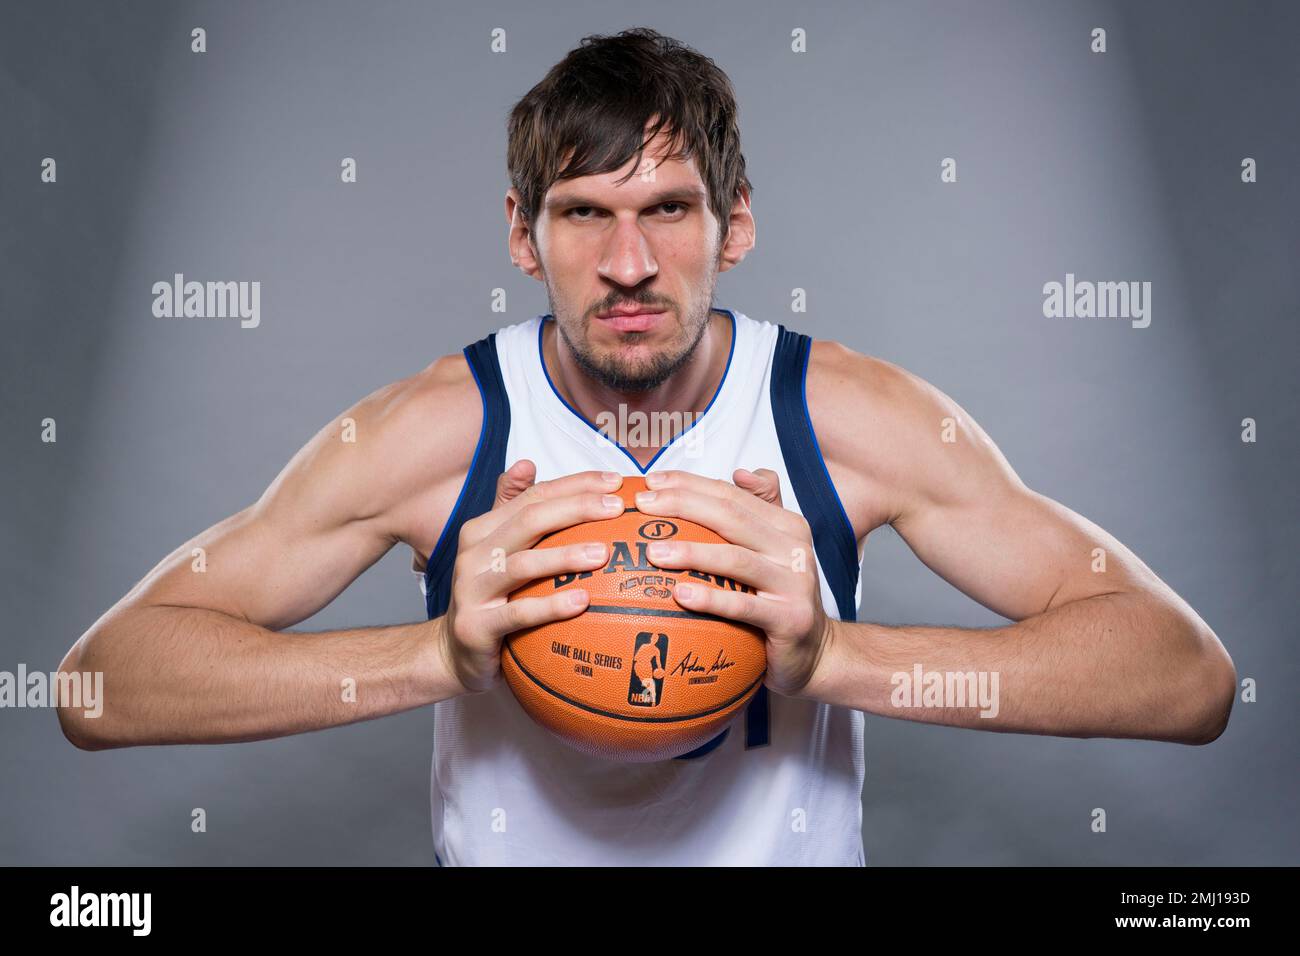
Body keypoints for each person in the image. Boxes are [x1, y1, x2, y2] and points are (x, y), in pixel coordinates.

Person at [56, 28, 1235, 866]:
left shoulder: (843, 418)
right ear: (523, 235)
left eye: (669, 208)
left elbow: (1184, 678)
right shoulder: (438, 430)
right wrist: (435, 654)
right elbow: (101, 685)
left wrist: (830, 654)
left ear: (740, 220)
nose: (629, 264)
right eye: (584, 213)